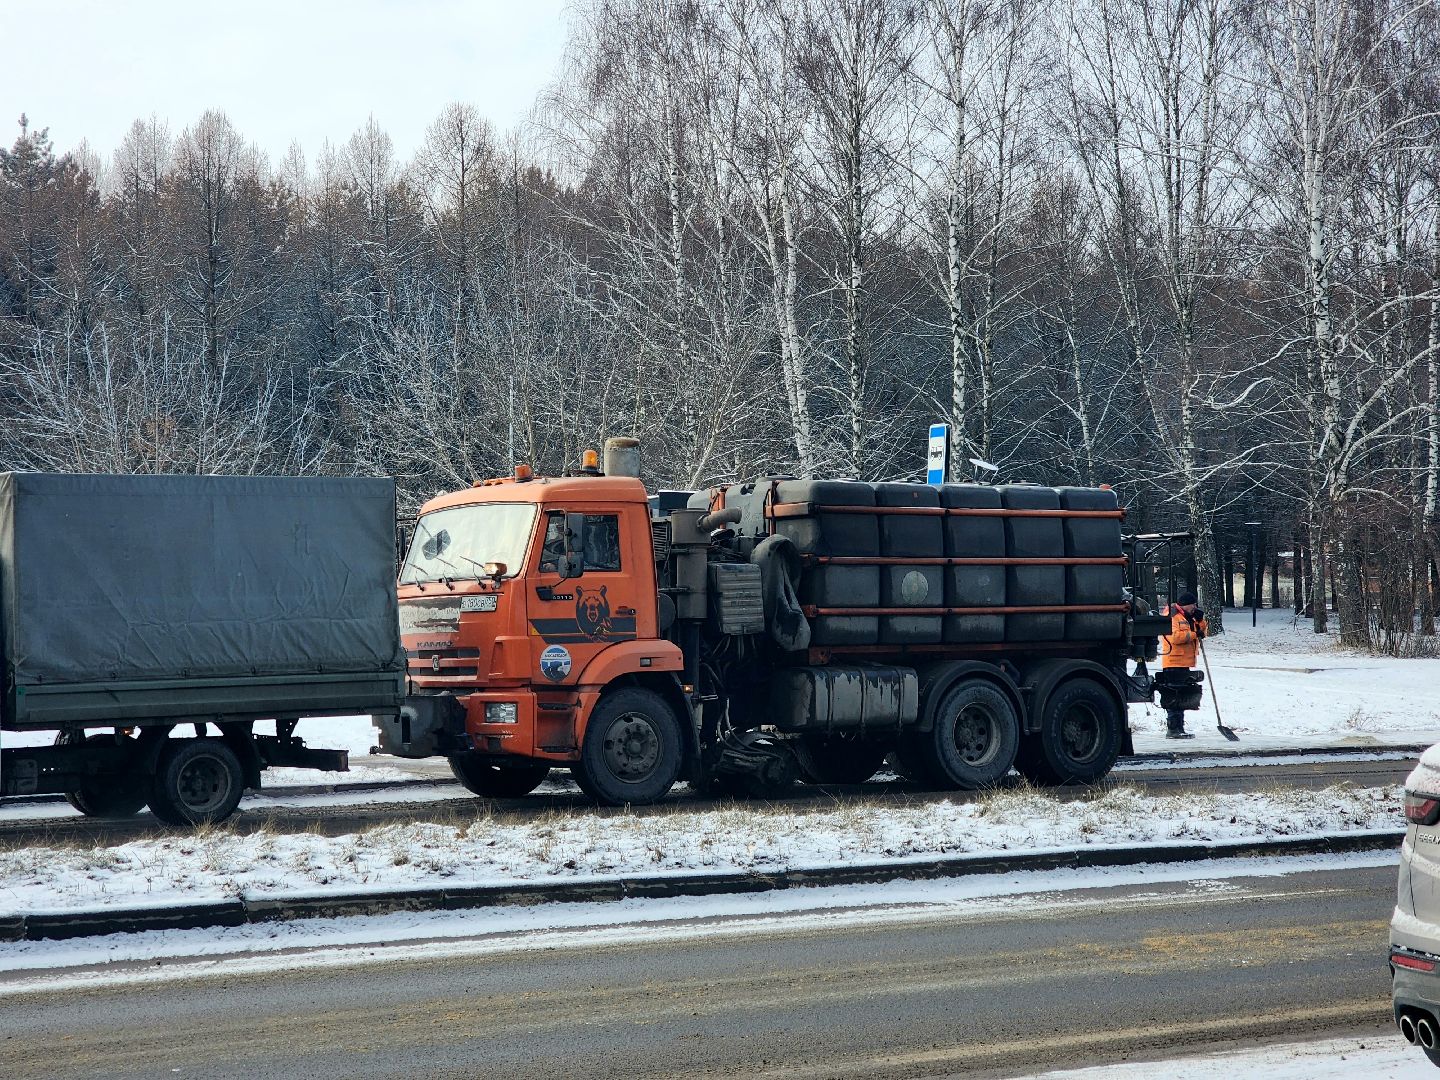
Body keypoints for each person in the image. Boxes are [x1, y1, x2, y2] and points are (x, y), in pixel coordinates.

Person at [1157, 591, 1208, 739]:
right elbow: (1176, 638)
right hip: (1173, 661)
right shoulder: (1172, 617)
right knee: (1174, 695)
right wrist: (1194, 634)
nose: (1195, 607)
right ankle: (1173, 729)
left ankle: (1179, 728)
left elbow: (1203, 633)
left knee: (1182, 696)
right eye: (1193, 605)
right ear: (1186, 605)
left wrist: (1201, 621)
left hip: (1183, 662)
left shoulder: (1188, 617)